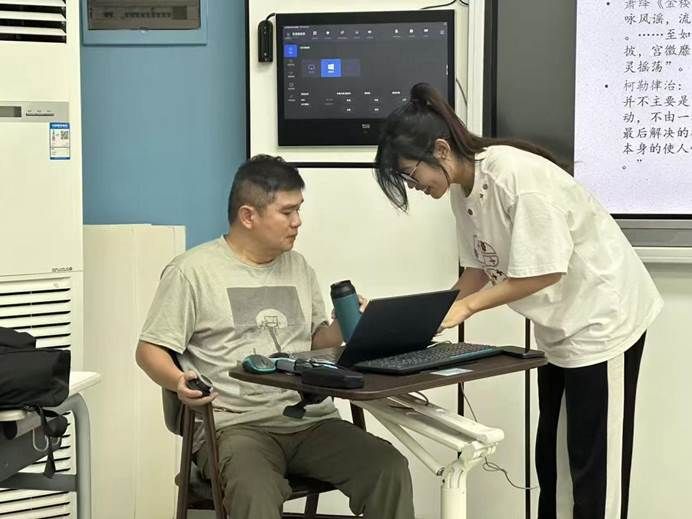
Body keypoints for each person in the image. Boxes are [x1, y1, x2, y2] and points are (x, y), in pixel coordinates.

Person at [373, 83, 662, 519]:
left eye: (411, 174)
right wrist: (418, 321)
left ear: (441, 150)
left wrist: (467, 308)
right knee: (554, 461)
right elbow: (475, 272)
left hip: (604, 321)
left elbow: (544, 271)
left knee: (594, 468)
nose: (413, 186)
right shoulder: (463, 192)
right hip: (559, 328)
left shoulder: (516, 178)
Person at [135, 155, 415, 519]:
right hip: (236, 427)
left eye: (299, 209)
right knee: (255, 492)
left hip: (311, 420)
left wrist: (345, 325)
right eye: (287, 212)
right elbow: (149, 350)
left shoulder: (298, 266)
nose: (298, 221)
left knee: (387, 468)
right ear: (248, 216)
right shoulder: (192, 272)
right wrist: (178, 380)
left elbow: (316, 343)